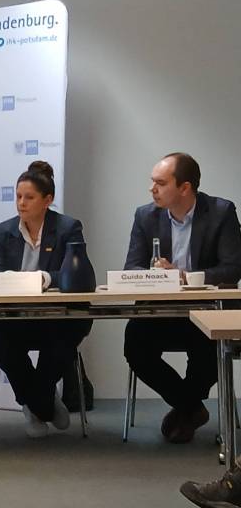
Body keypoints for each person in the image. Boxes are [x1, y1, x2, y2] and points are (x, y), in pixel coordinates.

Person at [123, 152, 241, 443]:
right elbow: (132, 268)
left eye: (161, 183)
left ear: (185, 188)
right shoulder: (145, 216)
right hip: (161, 311)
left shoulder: (221, 212)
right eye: (153, 182)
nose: (152, 189)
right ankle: (191, 408)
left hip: (207, 309)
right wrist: (157, 276)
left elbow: (232, 268)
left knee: (210, 348)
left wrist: (184, 276)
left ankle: (185, 410)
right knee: (135, 343)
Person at [0, 161, 92, 437]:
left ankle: (36, 403)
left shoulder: (68, 228)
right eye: (18, 196)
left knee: (62, 342)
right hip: (15, 316)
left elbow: (74, 273)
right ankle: (44, 403)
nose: (21, 203)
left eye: (29, 197)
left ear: (47, 200)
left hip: (58, 315)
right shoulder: (3, 231)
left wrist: (44, 278)